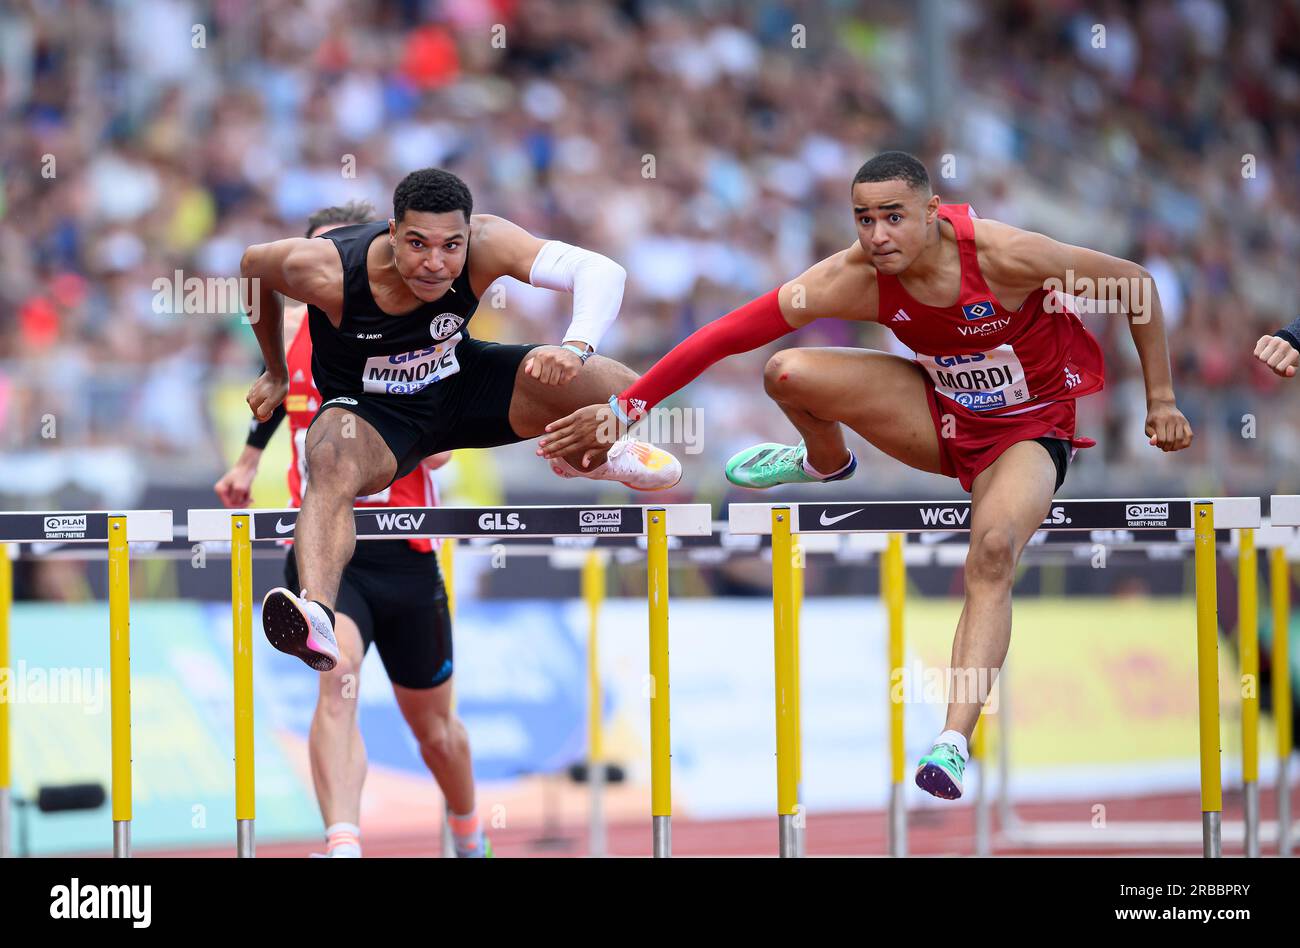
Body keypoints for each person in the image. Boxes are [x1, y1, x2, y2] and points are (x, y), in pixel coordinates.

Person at [540, 151, 1194, 800]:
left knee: (992, 551)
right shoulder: (853, 275)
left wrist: (1160, 400)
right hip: (938, 417)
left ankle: (952, 742)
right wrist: (622, 412)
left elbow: (1136, 285)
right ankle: (823, 460)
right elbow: (725, 335)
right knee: (785, 371)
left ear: (934, 214)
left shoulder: (1005, 256)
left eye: (893, 218)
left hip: (1028, 430)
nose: (877, 236)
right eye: (863, 219)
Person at [238, 168, 680, 675]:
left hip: (460, 382)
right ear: (391, 231)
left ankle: (596, 456)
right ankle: (318, 613)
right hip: (375, 415)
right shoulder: (326, 268)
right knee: (330, 454)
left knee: (621, 385)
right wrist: (274, 369)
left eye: (451, 246)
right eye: (418, 244)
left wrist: (576, 345)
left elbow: (603, 272)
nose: (434, 263)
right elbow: (253, 267)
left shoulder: (489, 241)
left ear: (469, 236)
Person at [217, 202, 490, 857]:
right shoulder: (288, 337)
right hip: (327, 554)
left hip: (407, 551)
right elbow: (275, 394)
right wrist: (250, 458)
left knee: (436, 732)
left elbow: (447, 447)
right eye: (307, 266)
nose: (318, 278)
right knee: (336, 686)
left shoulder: (412, 325)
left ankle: (468, 829)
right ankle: (344, 843)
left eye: (333, 262)